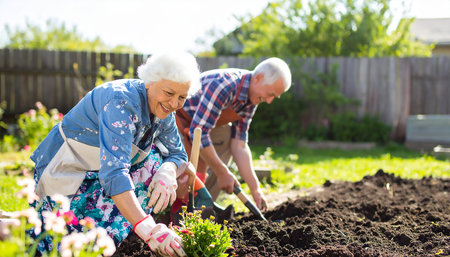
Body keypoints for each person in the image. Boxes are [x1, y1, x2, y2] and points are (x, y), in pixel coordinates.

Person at [29, 52, 201, 257]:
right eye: (169, 93)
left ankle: (113, 231)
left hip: (100, 172)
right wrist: (149, 230)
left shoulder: (163, 112)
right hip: (66, 170)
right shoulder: (120, 102)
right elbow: (114, 173)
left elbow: (178, 155)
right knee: (61, 248)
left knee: (156, 161)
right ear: (150, 82)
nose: (174, 104)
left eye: (181, 97)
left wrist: (167, 171)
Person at [175, 57, 292, 211]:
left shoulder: (252, 100)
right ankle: (176, 206)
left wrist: (255, 189)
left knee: (227, 137)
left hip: (197, 127)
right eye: (270, 94)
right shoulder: (224, 86)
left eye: (274, 97)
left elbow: (240, 145)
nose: (269, 101)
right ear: (258, 78)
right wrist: (222, 171)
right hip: (177, 120)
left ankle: (203, 207)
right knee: (214, 149)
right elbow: (199, 132)